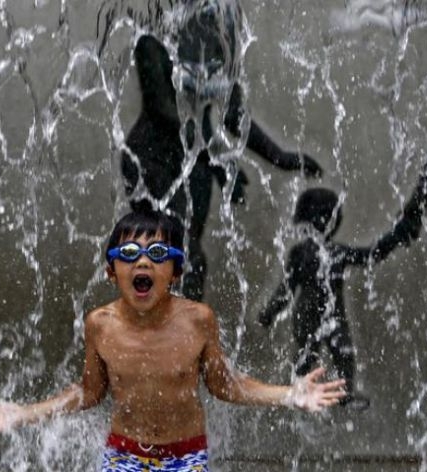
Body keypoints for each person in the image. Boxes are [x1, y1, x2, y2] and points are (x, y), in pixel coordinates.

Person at [0, 210, 345, 471]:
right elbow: (89, 392)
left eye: (158, 253)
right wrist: (23, 413)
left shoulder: (198, 320)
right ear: (111, 271)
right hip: (124, 455)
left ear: (176, 272)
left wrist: (289, 394)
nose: (143, 263)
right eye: (129, 254)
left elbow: (225, 385)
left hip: (185, 457)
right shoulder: (100, 324)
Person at [104, 0, 323, 301]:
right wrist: (217, 161)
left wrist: (281, 157)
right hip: (151, 158)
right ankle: (159, 337)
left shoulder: (216, 39)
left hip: (195, 162)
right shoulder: (150, 41)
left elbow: (234, 115)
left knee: (191, 258)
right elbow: (164, 110)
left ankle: (186, 338)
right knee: (174, 249)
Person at [259, 188, 417, 411]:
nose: (325, 220)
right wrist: (271, 311)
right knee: (307, 354)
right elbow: (286, 289)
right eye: (322, 214)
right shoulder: (300, 254)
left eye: (329, 214)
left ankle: (344, 393)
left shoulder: (337, 252)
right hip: (307, 315)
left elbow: (373, 254)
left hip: (334, 315)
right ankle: (298, 391)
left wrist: (397, 235)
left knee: (344, 352)